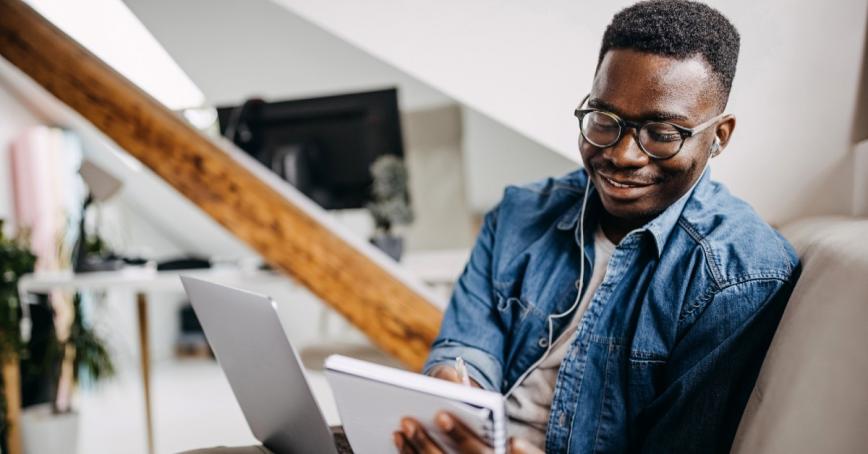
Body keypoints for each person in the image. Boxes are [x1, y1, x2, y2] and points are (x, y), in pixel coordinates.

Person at [393, 1, 800, 452]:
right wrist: (452, 386)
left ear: (719, 136)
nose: (623, 155)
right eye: (604, 121)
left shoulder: (738, 277)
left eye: (662, 134)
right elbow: (467, 342)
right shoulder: (518, 213)